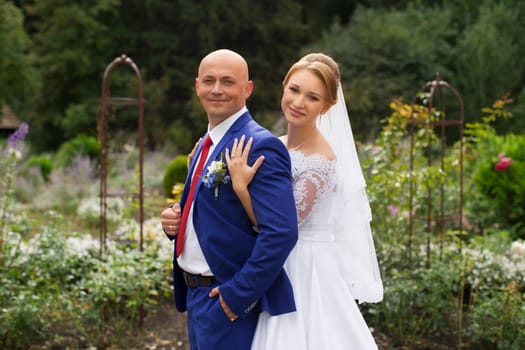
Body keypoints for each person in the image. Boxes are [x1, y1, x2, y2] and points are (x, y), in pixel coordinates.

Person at [225, 53, 383, 349]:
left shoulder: (320, 160)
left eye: (312, 97)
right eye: (294, 90)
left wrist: (241, 188)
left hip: (305, 266)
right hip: (276, 258)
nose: (298, 102)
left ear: (327, 106)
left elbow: (281, 224)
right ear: (283, 87)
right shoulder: (277, 143)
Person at [160, 49, 298, 350]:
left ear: (247, 89)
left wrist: (237, 296)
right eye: (209, 81)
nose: (217, 89)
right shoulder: (205, 144)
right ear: (197, 86)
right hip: (195, 295)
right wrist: (175, 218)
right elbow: (213, 212)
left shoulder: (260, 145)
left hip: (225, 299)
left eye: (228, 81)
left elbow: (282, 231)